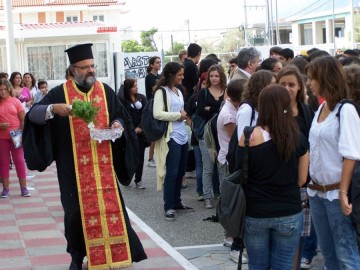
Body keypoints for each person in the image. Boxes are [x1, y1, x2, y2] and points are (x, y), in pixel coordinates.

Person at [26, 43, 147, 269]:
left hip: (104, 168)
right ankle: (77, 255)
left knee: (110, 209)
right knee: (74, 215)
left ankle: (116, 252)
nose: (91, 71)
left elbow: (122, 116)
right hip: (72, 168)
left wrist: (118, 125)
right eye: (85, 68)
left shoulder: (105, 91)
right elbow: (33, 114)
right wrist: (54, 109)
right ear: (73, 70)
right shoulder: (59, 93)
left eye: (93, 66)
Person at [236, 84, 309, 269]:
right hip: (289, 211)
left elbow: (237, 172)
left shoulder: (248, 137)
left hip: (255, 211)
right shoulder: (298, 138)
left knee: (258, 265)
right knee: (283, 266)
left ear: (261, 106)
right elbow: (302, 180)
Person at [306, 56, 360, 269]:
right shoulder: (321, 109)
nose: (309, 83)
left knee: (346, 254)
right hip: (317, 193)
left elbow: (351, 155)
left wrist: (343, 192)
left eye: (312, 78)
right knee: (329, 253)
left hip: (336, 193)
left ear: (325, 79)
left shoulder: (345, 110)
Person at [276, 66, 315, 269]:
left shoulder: (307, 111)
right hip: (278, 181)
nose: (287, 88)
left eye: (291, 84)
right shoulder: (272, 113)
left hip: (302, 181)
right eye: (283, 84)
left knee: (299, 234)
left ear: (300, 87)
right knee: (281, 235)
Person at [153, 61, 194, 221]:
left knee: (181, 171)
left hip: (183, 135)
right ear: (171, 75)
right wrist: (178, 115)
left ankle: (177, 202)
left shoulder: (178, 91)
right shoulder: (161, 92)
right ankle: (168, 206)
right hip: (171, 136)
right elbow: (157, 113)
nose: (183, 77)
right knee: (172, 172)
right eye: (180, 75)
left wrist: (182, 114)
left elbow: (180, 110)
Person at [196, 64, 226, 209]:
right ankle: (207, 197)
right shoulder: (203, 92)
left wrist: (211, 108)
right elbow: (200, 111)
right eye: (211, 76)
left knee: (222, 167)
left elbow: (226, 112)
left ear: (221, 77)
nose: (214, 78)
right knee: (208, 167)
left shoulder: (226, 91)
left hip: (222, 134)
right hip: (206, 135)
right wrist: (216, 110)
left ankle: (222, 196)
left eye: (216, 76)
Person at [0, 79, 30, 198]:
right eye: (0, 90)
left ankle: (24, 188)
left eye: (5, 89)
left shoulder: (16, 101)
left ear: (9, 89)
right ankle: (5, 189)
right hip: (2, 138)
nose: (3, 92)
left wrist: (23, 135)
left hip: (17, 136)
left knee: (19, 161)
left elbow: (23, 120)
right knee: (3, 162)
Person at [121, 78, 148, 189]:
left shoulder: (142, 97)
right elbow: (123, 116)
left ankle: (139, 179)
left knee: (140, 156)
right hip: (129, 133)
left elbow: (146, 113)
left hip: (140, 133)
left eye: (136, 85)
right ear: (128, 88)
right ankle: (127, 177)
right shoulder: (123, 100)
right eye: (133, 86)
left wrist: (140, 127)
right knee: (128, 156)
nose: (136, 87)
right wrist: (132, 129)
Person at [236, 70, 275, 140]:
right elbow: (242, 140)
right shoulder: (246, 110)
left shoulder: (264, 106)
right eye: (273, 84)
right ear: (262, 86)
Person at [145, 56, 161, 168]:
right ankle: (150, 158)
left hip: (160, 104)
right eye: (157, 62)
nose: (159, 64)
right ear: (152, 65)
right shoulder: (149, 77)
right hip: (153, 105)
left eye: (160, 62)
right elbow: (156, 89)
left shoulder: (159, 76)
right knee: (155, 132)